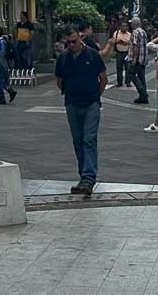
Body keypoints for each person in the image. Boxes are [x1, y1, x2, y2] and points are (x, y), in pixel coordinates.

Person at [55, 29, 107, 195]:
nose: (71, 45)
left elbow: (103, 78)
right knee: (78, 140)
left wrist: (95, 95)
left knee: (89, 139)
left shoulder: (92, 55)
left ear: (80, 39)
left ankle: (89, 177)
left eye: (74, 41)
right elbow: (59, 80)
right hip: (72, 103)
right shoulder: (63, 58)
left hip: (91, 103)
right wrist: (69, 93)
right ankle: (83, 175)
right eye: (68, 43)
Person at [127, 17, 150, 104]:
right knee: (141, 77)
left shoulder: (136, 32)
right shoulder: (143, 31)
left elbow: (135, 45)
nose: (131, 24)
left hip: (137, 58)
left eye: (131, 23)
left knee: (131, 74)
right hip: (143, 58)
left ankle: (143, 94)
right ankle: (143, 96)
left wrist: (134, 59)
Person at [111, 22, 132, 87]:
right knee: (119, 68)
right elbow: (113, 40)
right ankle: (119, 82)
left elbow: (131, 41)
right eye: (123, 26)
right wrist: (119, 41)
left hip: (127, 52)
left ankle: (128, 82)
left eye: (126, 26)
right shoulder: (116, 33)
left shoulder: (129, 34)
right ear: (120, 27)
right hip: (119, 52)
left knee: (128, 68)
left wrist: (126, 42)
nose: (124, 27)